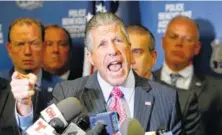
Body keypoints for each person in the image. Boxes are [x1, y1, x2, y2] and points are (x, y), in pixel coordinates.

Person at [16, 13, 183, 134]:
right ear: (91, 57)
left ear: (129, 48)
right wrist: (24, 107)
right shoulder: (68, 93)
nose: (113, 50)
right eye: (102, 44)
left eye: (118, 40)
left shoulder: (166, 98)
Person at [127, 25, 202, 135]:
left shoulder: (182, 100)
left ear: (153, 57)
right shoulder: (106, 96)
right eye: (124, 53)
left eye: (137, 52)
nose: (130, 60)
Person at [154, 15, 222, 135]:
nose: (179, 44)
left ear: (197, 47)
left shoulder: (217, 90)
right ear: (163, 42)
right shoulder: (145, 83)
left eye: (187, 39)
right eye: (173, 37)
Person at [2, 17, 62, 132]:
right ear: (9, 48)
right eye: (20, 44)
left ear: (44, 46)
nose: (27, 52)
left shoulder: (63, 88)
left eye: (34, 43)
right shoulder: (1, 87)